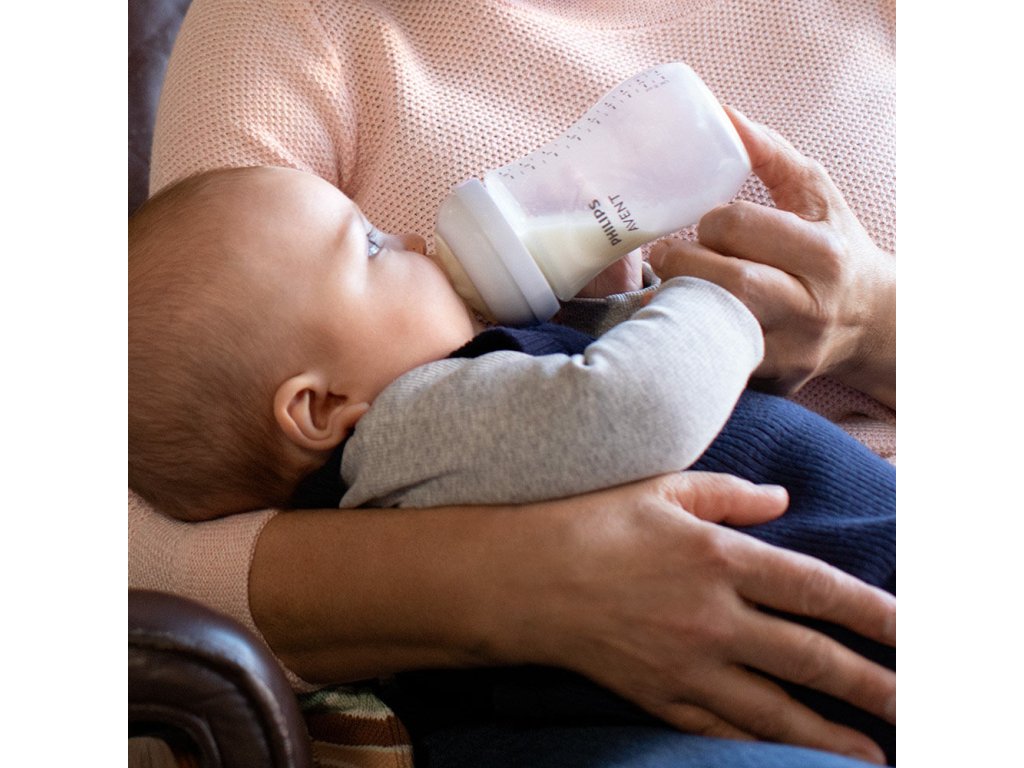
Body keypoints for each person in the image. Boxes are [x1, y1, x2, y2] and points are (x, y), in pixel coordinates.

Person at [131, 1, 896, 766]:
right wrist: (720, 306)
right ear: (320, 406)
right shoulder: (412, 423)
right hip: (733, 663)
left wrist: (873, 320)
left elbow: (563, 411)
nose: (413, 238)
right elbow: (626, 406)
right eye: (371, 246)